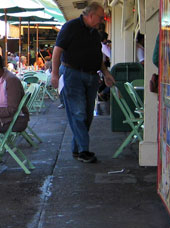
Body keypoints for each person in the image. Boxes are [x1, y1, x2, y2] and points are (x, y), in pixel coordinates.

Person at [50, 2, 115, 163]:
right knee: (77, 113)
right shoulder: (70, 27)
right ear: (91, 15)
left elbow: (97, 55)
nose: (102, 20)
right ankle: (84, 150)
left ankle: (77, 149)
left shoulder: (94, 33)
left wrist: (106, 72)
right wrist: (54, 73)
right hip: (73, 74)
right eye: (100, 17)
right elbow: (57, 51)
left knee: (86, 116)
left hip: (92, 77)